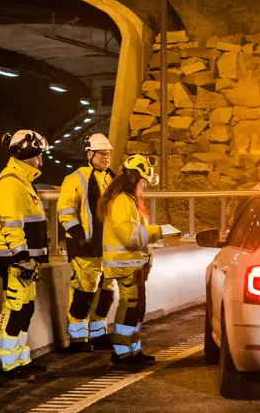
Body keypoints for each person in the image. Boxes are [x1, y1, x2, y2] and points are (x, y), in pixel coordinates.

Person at [0, 130, 51, 377]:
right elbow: (11, 225)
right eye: (37, 156)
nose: (40, 162)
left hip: (26, 260)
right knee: (15, 308)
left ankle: (20, 359)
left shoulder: (23, 181)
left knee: (25, 309)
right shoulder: (10, 183)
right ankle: (7, 362)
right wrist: (23, 257)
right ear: (25, 155)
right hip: (16, 260)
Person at [98, 154, 162, 366]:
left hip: (132, 264)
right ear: (135, 179)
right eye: (143, 181)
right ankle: (122, 353)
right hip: (125, 265)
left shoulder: (126, 200)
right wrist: (157, 232)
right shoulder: (122, 202)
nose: (143, 186)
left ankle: (133, 350)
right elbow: (130, 236)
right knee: (129, 308)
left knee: (137, 309)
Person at [58, 133, 116, 353]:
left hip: (108, 247)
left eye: (108, 153)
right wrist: (79, 235)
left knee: (106, 291)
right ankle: (78, 338)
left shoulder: (111, 178)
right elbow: (65, 211)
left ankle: (99, 332)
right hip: (85, 246)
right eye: (102, 153)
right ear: (89, 154)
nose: (106, 157)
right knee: (84, 291)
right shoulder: (75, 178)